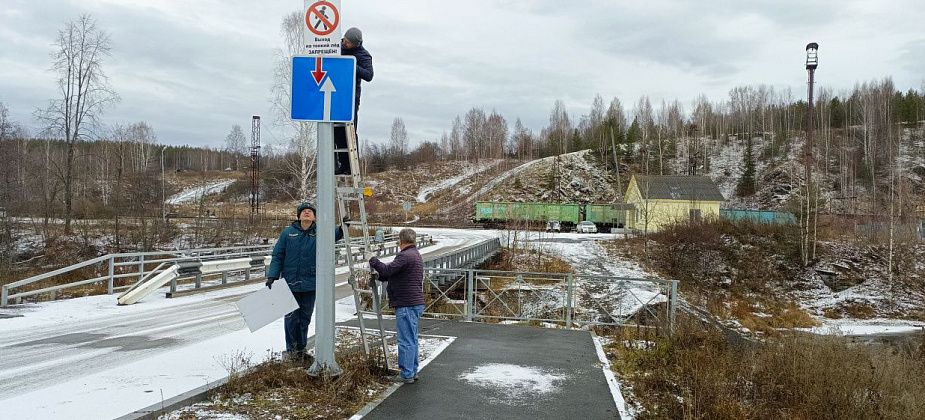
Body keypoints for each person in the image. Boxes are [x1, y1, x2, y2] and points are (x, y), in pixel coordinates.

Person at [266, 202, 345, 359]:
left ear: (315, 217)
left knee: (304, 319)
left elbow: (334, 235)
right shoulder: (288, 233)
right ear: (299, 216)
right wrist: (272, 275)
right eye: (304, 211)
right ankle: (291, 350)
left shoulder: (320, 233)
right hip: (289, 284)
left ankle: (301, 350)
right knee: (290, 319)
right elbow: (278, 255)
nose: (307, 213)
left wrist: (343, 228)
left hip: (310, 284)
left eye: (310, 211)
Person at [368, 228, 424, 384]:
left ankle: (406, 374)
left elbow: (387, 269)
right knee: (412, 339)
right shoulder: (415, 255)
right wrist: (380, 276)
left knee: (406, 340)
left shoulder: (405, 256)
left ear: (400, 241)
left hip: (406, 304)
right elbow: (390, 274)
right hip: (414, 302)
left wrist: (373, 259)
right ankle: (412, 371)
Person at [340, 27, 373, 130]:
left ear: (356, 44)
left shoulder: (364, 55)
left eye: (348, 42)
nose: (344, 43)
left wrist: (351, 64)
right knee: (334, 130)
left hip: (351, 96)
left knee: (349, 131)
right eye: (344, 40)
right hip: (333, 94)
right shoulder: (335, 48)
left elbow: (369, 75)